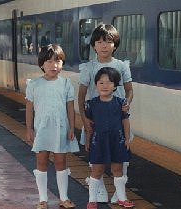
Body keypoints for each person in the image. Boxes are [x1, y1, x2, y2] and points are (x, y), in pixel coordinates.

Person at [78, 24, 134, 204]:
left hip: (117, 119)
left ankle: (119, 193)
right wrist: (85, 122)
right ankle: (99, 191)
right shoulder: (88, 67)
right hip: (95, 120)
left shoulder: (121, 66)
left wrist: (127, 103)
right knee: (96, 159)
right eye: (99, 42)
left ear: (115, 45)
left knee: (121, 158)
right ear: (93, 45)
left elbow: (129, 90)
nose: (103, 45)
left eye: (108, 42)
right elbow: (81, 96)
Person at [25, 44, 79, 209]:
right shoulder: (34, 84)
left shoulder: (66, 84)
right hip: (41, 129)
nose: (53, 65)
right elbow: (29, 108)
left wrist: (72, 127)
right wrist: (29, 128)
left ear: (62, 63)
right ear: (41, 64)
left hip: (60, 129)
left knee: (61, 161)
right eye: (49, 61)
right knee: (41, 161)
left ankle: (64, 198)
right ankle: (43, 199)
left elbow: (70, 107)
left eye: (58, 61)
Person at [85, 68, 134, 209]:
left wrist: (126, 138)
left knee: (117, 170)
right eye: (101, 83)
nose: (105, 86)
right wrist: (88, 140)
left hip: (117, 141)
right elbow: (89, 125)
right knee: (96, 171)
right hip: (98, 142)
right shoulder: (91, 104)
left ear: (115, 86)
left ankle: (121, 198)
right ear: (96, 85)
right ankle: (92, 200)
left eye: (109, 82)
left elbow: (125, 121)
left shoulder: (121, 103)